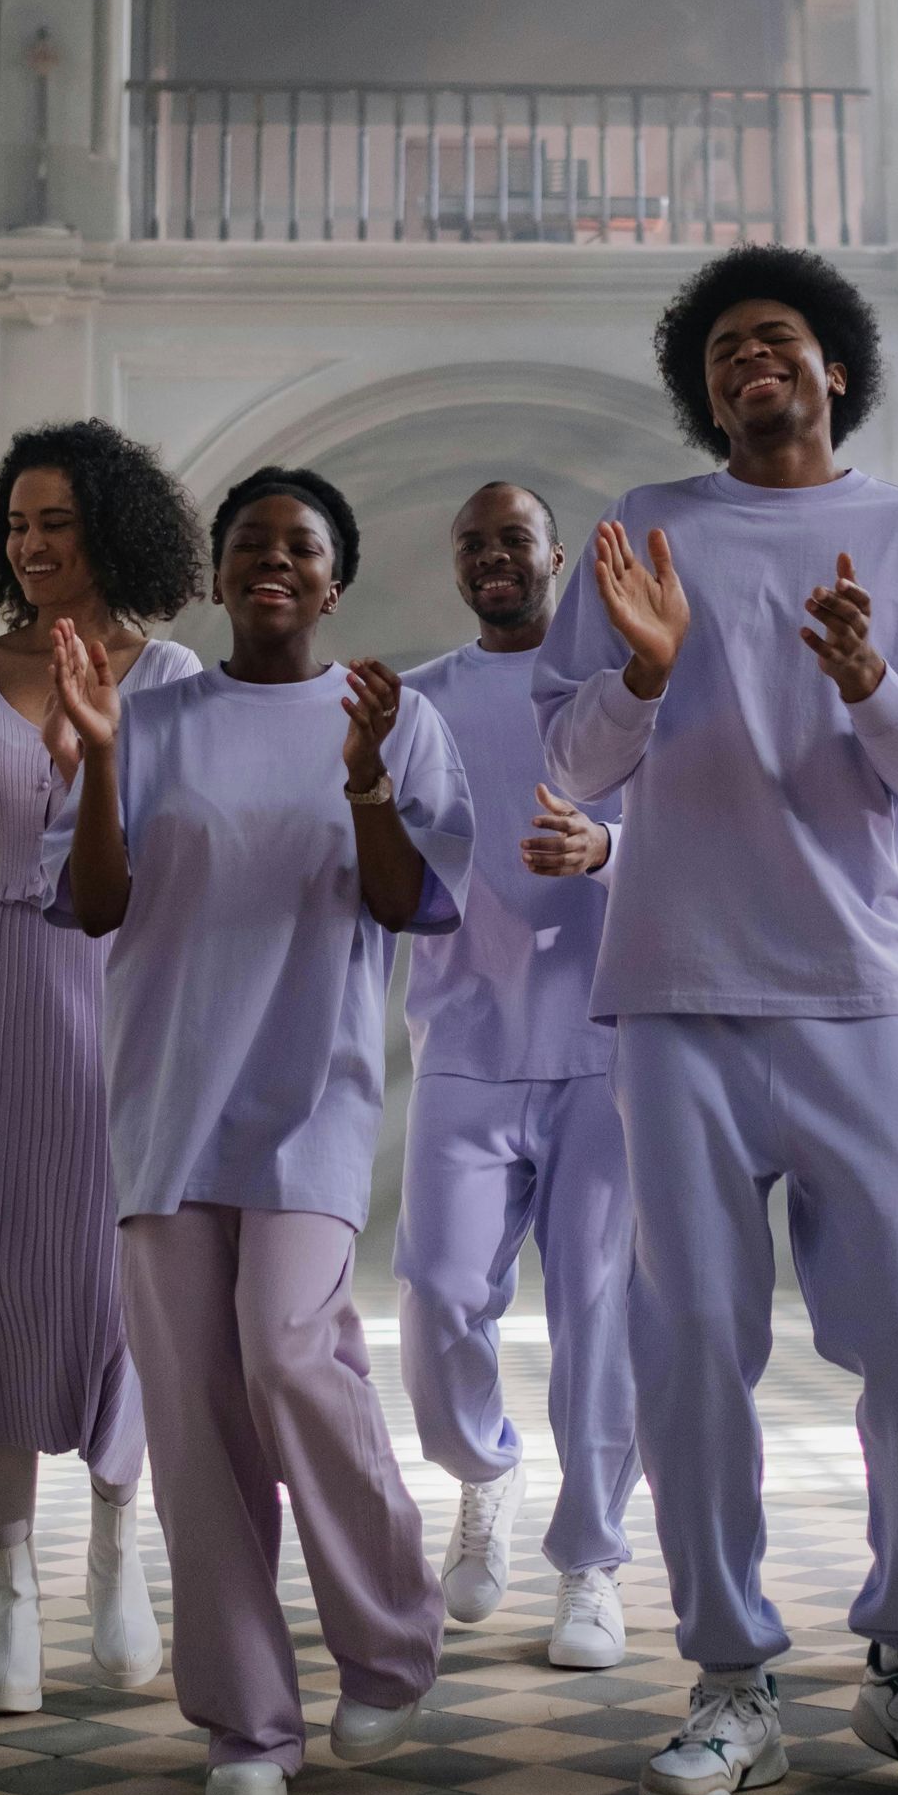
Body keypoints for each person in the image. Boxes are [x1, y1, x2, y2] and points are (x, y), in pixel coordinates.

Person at [535, 246, 898, 1795]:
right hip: (675, 990)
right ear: (706, 379)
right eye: (731, 344)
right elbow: (572, 765)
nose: (758, 361)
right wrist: (648, 673)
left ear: (835, 371)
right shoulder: (639, 533)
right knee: (691, 1351)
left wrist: (873, 680)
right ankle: (731, 1679)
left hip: (868, 992)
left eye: (784, 339)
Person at [44, 465, 470, 1795]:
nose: (271, 560)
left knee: (292, 1355)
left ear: (335, 581)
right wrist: (105, 753)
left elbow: (408, 903)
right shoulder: (151, 715)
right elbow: (96, 900)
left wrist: (365, 785)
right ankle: (247, 1720)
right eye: (249, 543)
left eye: (300, 546)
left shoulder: (396, 718)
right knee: (192, 1412)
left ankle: (392, 1644)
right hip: (165, 1098)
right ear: (221, 573)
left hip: (310, 1095)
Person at [0, 418, 206, 1714]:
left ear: (108, 529)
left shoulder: (168, 673)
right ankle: (10, 1589)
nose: (30, 542)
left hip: (116, 994)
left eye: (55, 521)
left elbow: (178, 856)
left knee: (118, 1278)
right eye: (16, 523)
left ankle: (118, 1539)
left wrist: (95, 766)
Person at [398, 481, 637, 1671]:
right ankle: (483, 1469)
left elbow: (692, 832)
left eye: (515, 541)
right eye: (473, 541)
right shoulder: (420, 702)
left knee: (601, 1314)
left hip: (602, 1040)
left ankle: (591, 1564)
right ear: (459, 565)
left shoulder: (620, 697)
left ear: (557, 560)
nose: (494, 558)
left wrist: (609, 849)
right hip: (466, 1040)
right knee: (439, 1294)